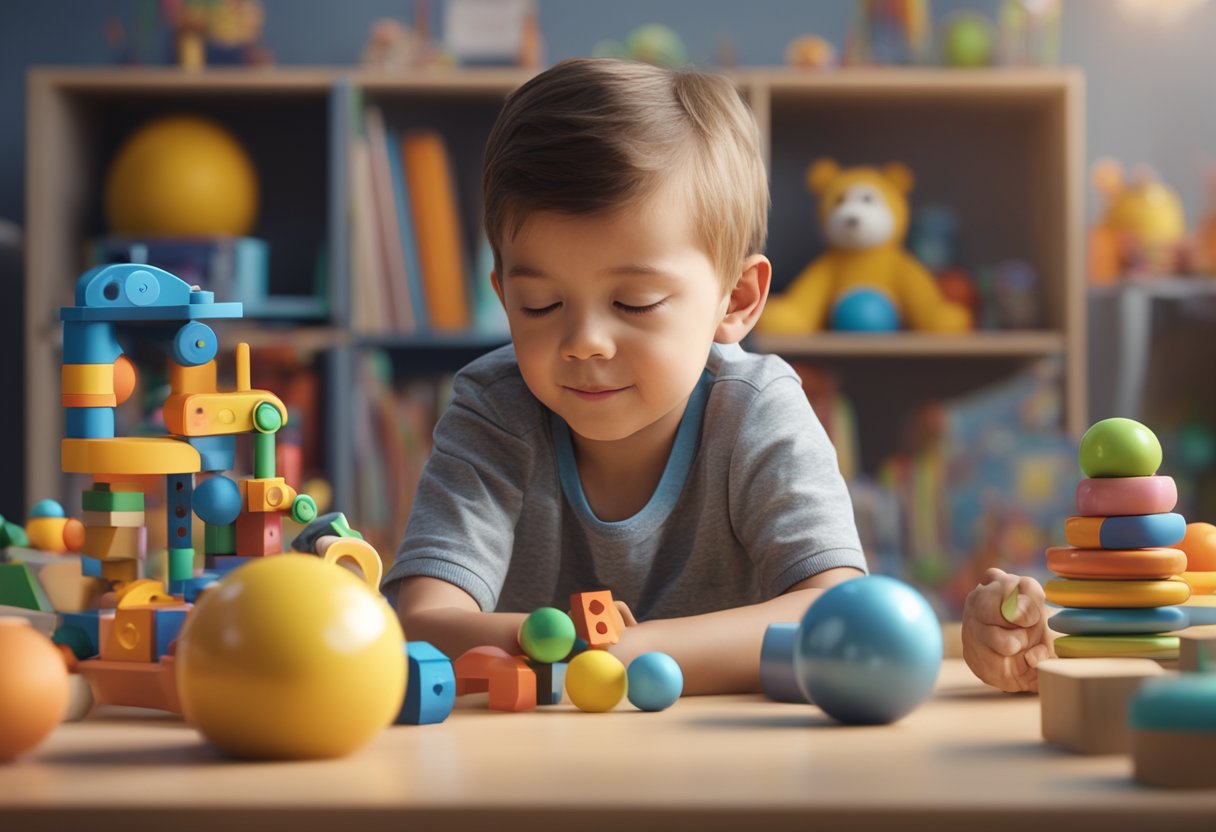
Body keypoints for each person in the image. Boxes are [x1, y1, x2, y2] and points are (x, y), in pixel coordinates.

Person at [381, 57, 867, 695]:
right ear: (504, 297)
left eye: (634, 303)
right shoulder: (494, 409)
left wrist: (621, 651)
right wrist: (583, 652)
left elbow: (838, 614)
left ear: (737, 298)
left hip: (734, 765)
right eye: (541, 306)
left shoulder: (758, 410)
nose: (583, 342)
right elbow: (420, 623)